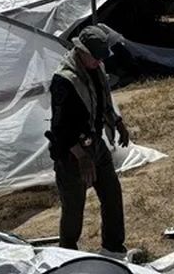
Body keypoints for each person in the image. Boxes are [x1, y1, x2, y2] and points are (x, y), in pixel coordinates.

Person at [47, 25, 132, 254]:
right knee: (74, 207)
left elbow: (103, 100)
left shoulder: (96, 68)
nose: (98, 62)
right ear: (81, 51)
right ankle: (68, 253)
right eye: (94, 57)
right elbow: (60, 128)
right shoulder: (64, 81)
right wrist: (81, 157)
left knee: (111, 194)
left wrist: (117, 122)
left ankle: (113, 247)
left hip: (95, 144)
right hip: (72, 153)